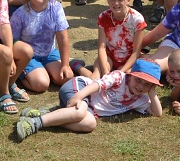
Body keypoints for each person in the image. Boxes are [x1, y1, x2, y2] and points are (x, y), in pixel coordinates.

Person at [15, 58, 163, 141]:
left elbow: (157, 113)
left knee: (89, 124)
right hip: (80, 87)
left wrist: (152, 91)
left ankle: (48, 115)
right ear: (131, 75)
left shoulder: (140, 98)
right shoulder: (119, 77)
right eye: (138, 80)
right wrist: (79, 96)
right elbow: (98, 84)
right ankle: (34, 124)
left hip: (90, 108)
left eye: (147, 84)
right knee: (80, 112)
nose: (141, 86)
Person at [10, 0, 73, 93]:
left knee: (66, 78)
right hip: (29, 56)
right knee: (41, 85)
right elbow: (13, 41)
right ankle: (21, 75)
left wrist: (65, 64)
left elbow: (63, 37)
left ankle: (47, 71)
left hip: (49, 52)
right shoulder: (20, 14)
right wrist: (13, 61)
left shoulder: (56, 7)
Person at [72, 0, 147, 79]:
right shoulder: (103, 17)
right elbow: (102, 47)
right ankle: (77, 66)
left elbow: (136, 51)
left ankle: (82, 68)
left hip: (129, 59)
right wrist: (105, 71)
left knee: (126, 79)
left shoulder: (137, 19)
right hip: (109, 57)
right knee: (95, 79)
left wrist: (121, 72)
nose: (116, 3)